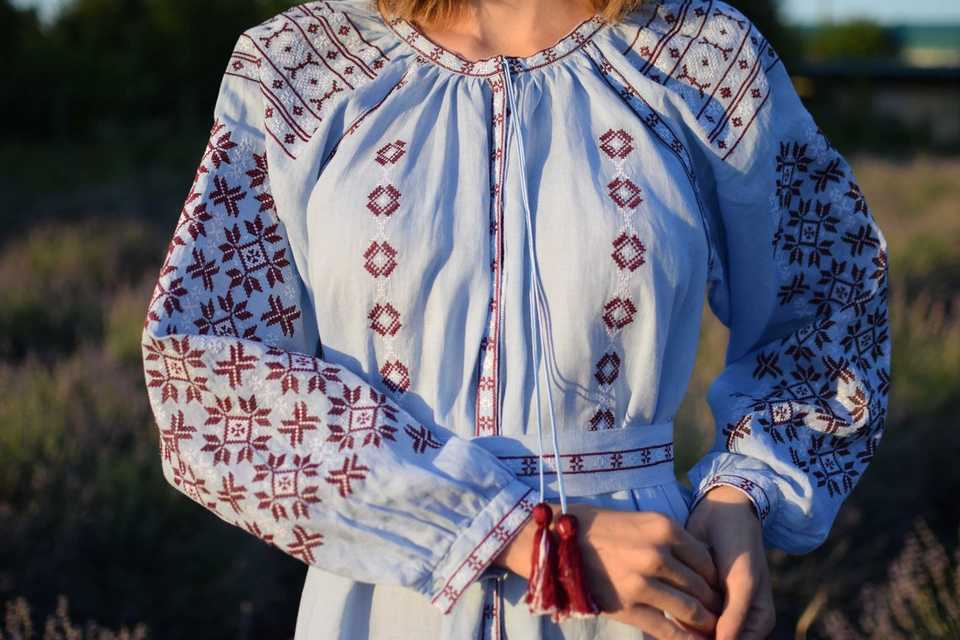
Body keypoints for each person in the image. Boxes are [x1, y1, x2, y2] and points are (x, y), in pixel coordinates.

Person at [139, 0, 891, 638]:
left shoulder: (702, 55)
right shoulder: (301, 64)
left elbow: (833, 298)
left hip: (642, 596)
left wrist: (743, 492)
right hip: (391, 596)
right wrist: (516, 536)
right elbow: (202, 370)